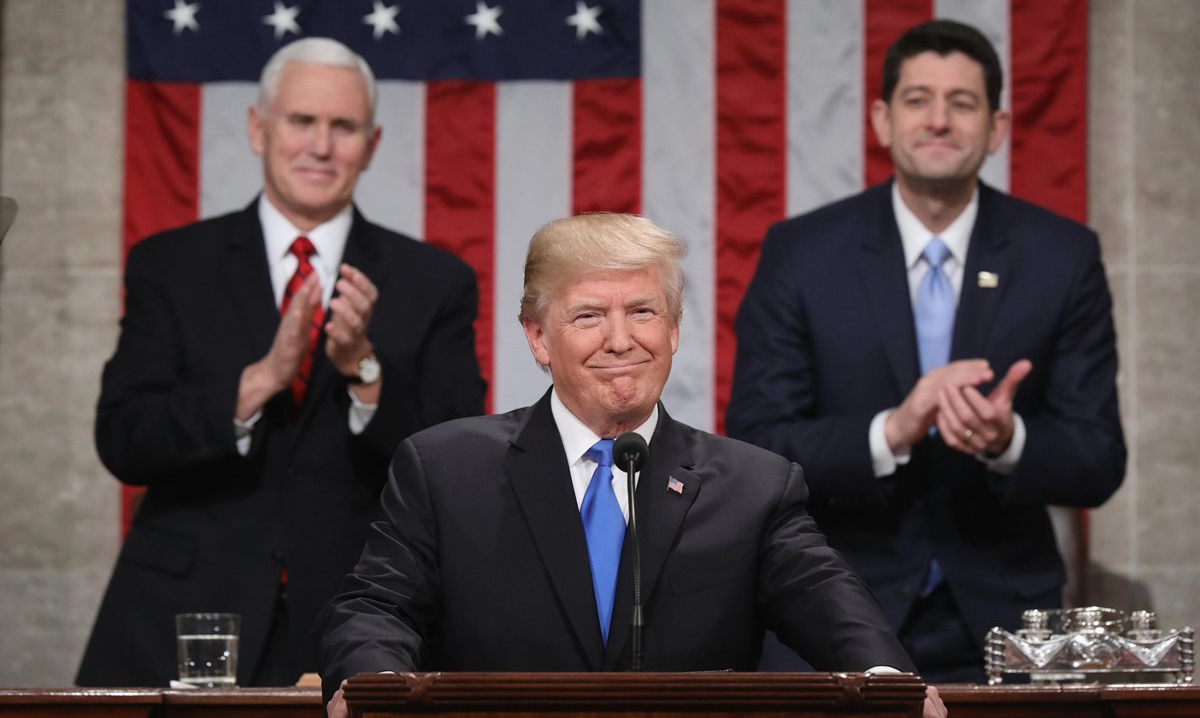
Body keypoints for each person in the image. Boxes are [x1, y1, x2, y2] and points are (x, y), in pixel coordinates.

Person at [316, 213, 945, 718]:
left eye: (642, 312)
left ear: (673, 330)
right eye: (589, 316)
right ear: (538, 339)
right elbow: (375, 607)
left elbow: (826, 599)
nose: (621, 339)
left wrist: (888, 683)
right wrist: (376, 686)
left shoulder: (754, 487)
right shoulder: (446, 469)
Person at [76, 37, 487, 687]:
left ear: (372, 144)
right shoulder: (171, 265)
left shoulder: (433, 281)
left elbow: (459, 461)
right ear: (257, 128)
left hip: (359, 625)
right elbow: (124, 438)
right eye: (302, 121)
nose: (320, 146)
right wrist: (261, 379)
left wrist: (365, 372)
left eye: (343, 126)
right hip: (186, 617)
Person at [726, 19, 1126, 682]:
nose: (938, 120)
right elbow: (758, 445)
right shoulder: (801, 254)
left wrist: (1009, 440)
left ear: (996, 128)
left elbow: (1099, 458)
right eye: (918, 100)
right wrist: (892, 431)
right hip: (831, 617)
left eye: (962, 103)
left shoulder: (1063, 256)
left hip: (1006, 631)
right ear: (883, 120)